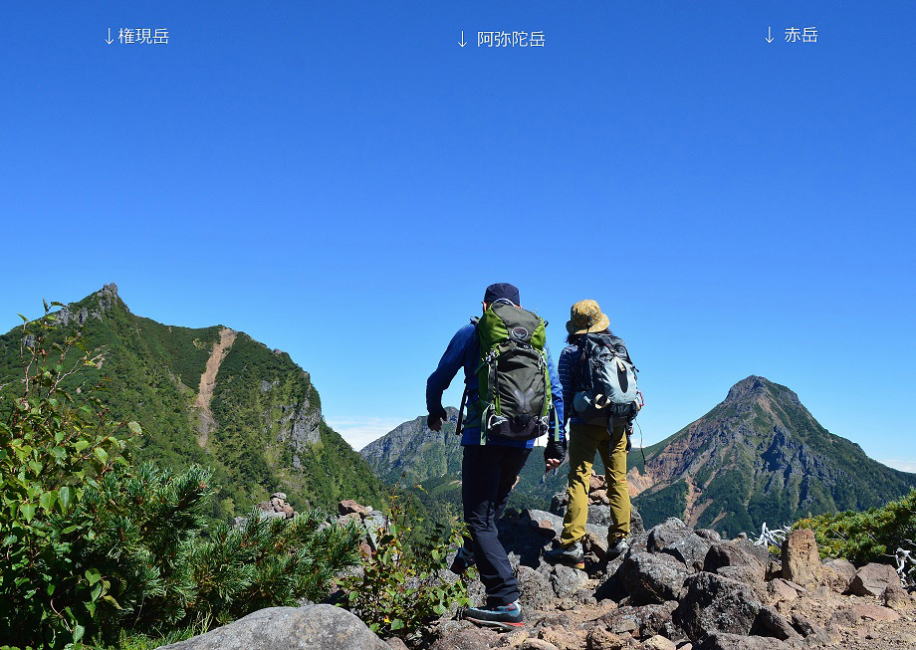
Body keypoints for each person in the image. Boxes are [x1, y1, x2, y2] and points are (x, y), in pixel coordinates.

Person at [426, 282, 565, 629]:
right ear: (518, 308)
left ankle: (505, 601)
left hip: (484, 435)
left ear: (486, 305)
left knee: (479, 518)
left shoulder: (473, 332)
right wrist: (556, 444)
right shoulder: (536, 340)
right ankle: (471, 552)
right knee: (492, 509)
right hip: (525, 439)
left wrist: (433, 410)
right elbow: (557, 393)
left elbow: (438, 378)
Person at [545, 299, 635, 568]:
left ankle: (572, 543)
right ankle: (620, 539)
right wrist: (627, 426)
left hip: (585, 424)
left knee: (580, 480)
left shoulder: (571, 353)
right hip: (617, 423)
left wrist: (557, 436)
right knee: (617, 480)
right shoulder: (619, 346)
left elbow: (561, 395)